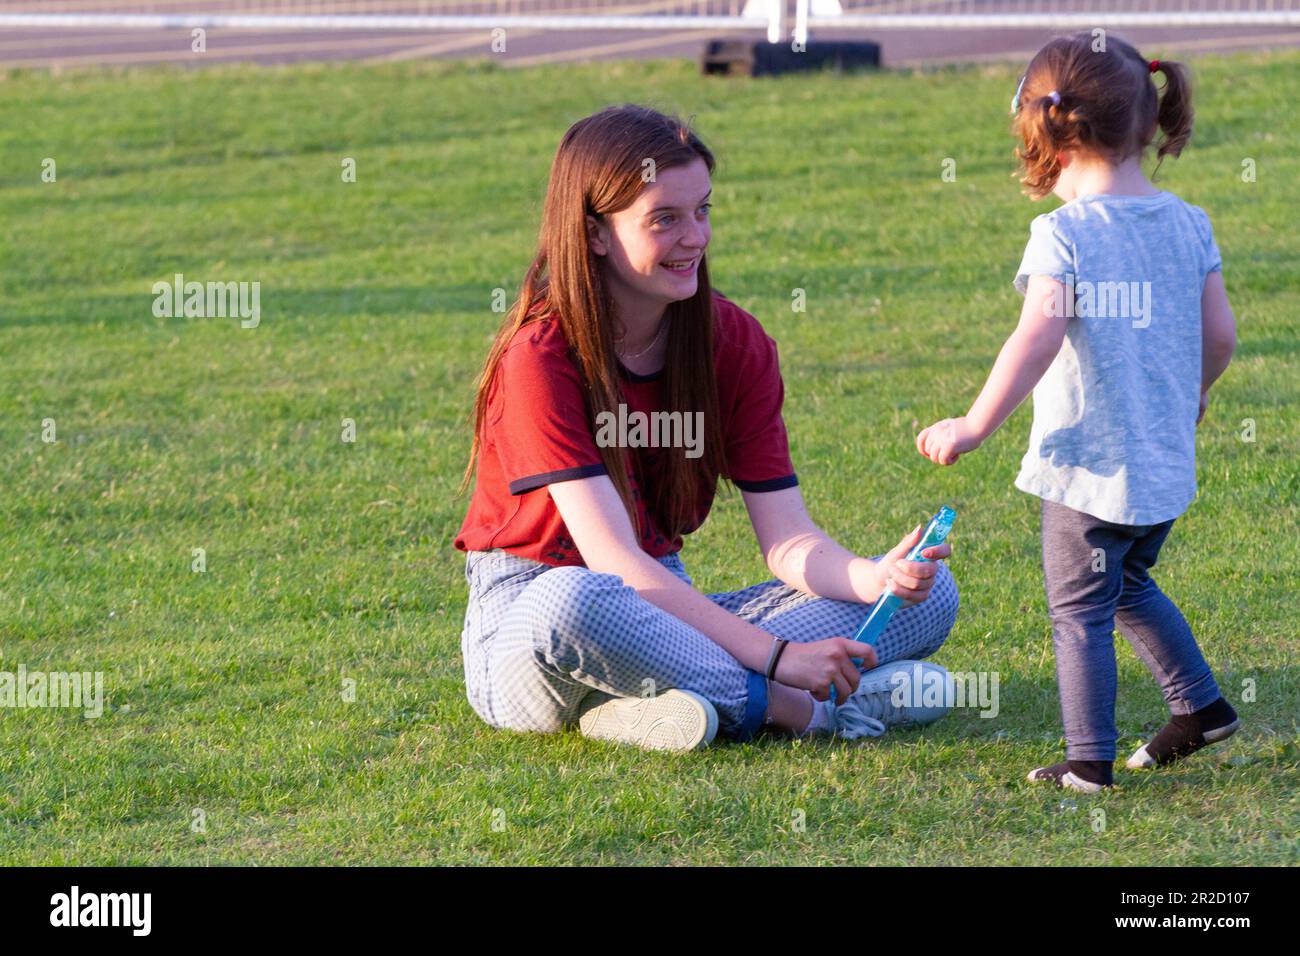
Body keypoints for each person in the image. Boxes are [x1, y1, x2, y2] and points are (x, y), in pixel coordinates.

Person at [454, 104, 960, 751]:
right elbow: (612, 563)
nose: (695, 236)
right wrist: (778, 662)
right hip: (536, 616)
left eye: (703, 211)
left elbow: (788, 541)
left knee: (932, 595)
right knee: (575, 600)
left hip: (663, 608)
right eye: (664, 218)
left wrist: (876, 579)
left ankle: (653, 708)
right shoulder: (540, 358)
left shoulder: (734, 342)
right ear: (595, 233)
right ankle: (803, 709)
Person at [916, 33, 1239, 792]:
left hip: (1088, 469)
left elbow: (1035, 339)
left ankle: (1088, 762)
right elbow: (1220, 334)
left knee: (1080, 610)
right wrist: (1194, 392)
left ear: (1051, 136)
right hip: (1160, 462)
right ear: (1144, 122)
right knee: (1125, 584)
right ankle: (1203, 709)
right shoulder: (1188, 222)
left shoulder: (1063, 234)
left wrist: (972, 425)